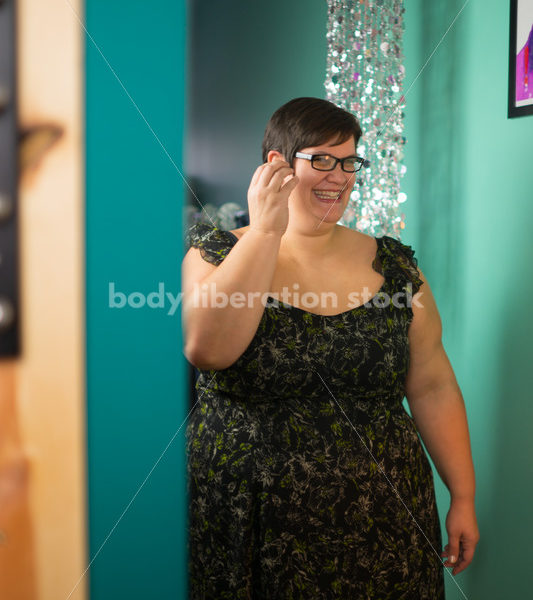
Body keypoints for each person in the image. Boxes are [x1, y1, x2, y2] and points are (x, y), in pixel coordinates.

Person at [181, 97, 479, 599]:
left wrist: (464, 495)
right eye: (321, 159)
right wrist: (268, 230)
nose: (339, 176)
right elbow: (209, 350)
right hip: (249, 513)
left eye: (349, 161)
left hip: (383, 519)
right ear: (276, 164)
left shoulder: (395, 268)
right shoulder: (215, 252)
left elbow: (431, 384)